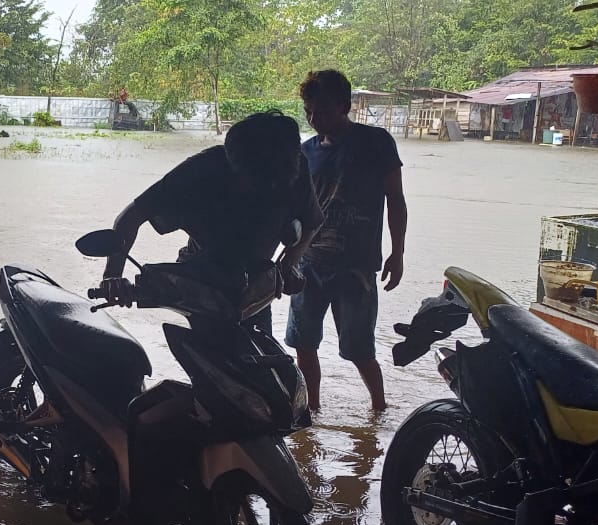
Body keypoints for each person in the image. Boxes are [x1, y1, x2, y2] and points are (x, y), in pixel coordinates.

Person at [99, 110, 322, 333]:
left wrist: (289, 264)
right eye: (252, 180)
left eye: (272, 185)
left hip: (257, 283)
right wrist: (112, 277)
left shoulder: (294, 167)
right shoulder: (202, 169)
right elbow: (131, 217)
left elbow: (312, 222)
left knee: (265, 354)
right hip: (201, 280)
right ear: (233, 161)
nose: (261, 190)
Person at [286, 69, 407, 412]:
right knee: (304, 345)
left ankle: (380, 411)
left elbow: (395, 199)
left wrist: (397, 253)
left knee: (359, 349)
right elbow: (293, 210)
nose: (314, 118)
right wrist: (287, 260)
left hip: (356, 265)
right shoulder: (304, 153)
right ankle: (313, 411)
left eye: (322, 110)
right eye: (308, 111)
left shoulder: (376, 142)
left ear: (344, 105)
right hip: (308, 264)